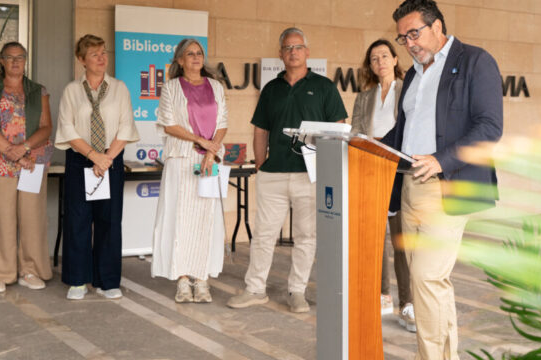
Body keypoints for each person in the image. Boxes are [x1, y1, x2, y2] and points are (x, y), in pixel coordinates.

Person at [382, 0, 503, 359]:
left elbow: (490, 126)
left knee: (427, 280)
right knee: (433, 286)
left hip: (447, 185)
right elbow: (402, 134)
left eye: (414, 33)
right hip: (410, 188)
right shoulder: (414, 77)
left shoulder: (475, 61)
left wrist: (440, 160)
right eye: (403, 38)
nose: (409, 44)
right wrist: (363, 146)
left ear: (437, 27)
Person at [227, 27, 347, 313]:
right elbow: (260, 130)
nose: (293, 52)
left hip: (311, 175)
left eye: (298, 47)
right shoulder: (271, 89)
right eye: (287, 48)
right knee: (265, 233)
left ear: (307, 52)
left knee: (307, 235)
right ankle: (255, 289)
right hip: (274, 173)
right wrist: (260, 164)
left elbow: (340, 127)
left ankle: (297, 291)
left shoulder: (324, 87)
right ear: (280, 54)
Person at [55, 34, 139, 300]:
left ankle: (108, 280)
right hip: (81, 157)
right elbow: (67, 128)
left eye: (103, 53)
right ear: (81, 60)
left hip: (110, 159)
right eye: (94, 54)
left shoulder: (119, 88)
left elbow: (126, 125)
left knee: (110, 220)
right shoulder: (71, 90)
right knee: (78, 220)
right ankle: (78, 280)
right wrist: (93, 155)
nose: (102, 58)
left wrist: (107, 158)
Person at [151, 39, 228, 303]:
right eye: (189, 54)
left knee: (206, 220)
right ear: (180, 60)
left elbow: (223, 123)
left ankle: (202, 279)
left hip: (209, 160)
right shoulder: (171, 88)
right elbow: (169, 124)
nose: (196, 57)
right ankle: (183, 280)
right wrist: (200, 141)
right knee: (180, 218)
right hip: (181, 159)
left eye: (199, 53)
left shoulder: (216, 86)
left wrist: (210, 151)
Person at [350, 39, 415, 331]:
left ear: (395, 59)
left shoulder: (408, 90)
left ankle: (408, 303)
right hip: (371, 172)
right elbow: (355, 132)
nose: (380, 62)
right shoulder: (364, 98)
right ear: (370, 66)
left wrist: (381, 144)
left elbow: (410, 130)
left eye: (384, 56)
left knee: (402, 241)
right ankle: (381, 297)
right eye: (374, 58)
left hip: (400, 173)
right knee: (375, 240)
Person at [0, 42, 54, 293]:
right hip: (0, 164)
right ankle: (0, 273)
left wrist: (24, 150)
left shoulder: (38, 91)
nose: (15, 62)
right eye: (9, 58)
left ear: (25, 60)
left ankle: (30, 270)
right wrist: (14, 154)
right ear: (1, 61)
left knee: (32, 218)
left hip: (32, 162)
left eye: (20, 57)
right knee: (2, 218)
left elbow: (46, 127)